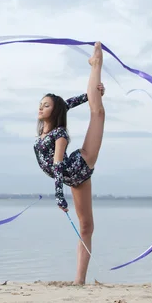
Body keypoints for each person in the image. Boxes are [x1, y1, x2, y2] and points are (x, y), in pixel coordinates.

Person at [33, 41, 106, 285]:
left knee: (98, 113)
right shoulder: (43, 132)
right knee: (86, 228)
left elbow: (57, 166)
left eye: (46, 105)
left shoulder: (59, 135)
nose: (41, 107)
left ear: (53, 112)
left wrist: (58, 196)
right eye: (40, 104)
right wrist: (90, 94)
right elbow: (68, 104)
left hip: (81, 165)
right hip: (75, 181)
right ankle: (80, 282)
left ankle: (96, 64)